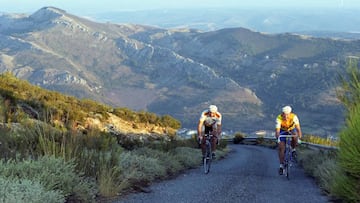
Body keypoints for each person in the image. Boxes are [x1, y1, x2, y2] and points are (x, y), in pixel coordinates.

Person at [275, 105, 302, 175]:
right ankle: (281, 166)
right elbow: (277, 131)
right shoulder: (279, 118)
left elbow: (298, 128)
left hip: (291, 129)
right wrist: (278, 138)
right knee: (281, 148)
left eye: (287, 115)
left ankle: (293, 149)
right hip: (282, 130)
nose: (286, 117)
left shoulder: (294, 117)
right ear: (282, 114)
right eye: (284, 115)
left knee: (295, 137)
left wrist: (299, 136)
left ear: (290, 113)